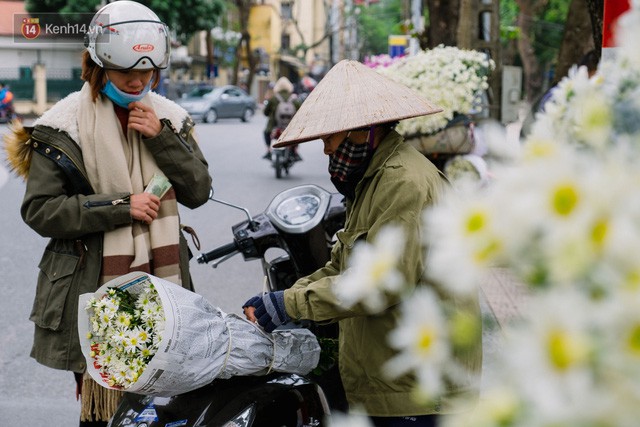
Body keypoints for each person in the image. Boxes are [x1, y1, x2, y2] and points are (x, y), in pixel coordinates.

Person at [3, 1, 212, 425]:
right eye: (125, 71)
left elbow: (200, 190)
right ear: (97, 66)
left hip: (166, 292)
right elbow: (41, 210)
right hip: (92, 289)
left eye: (148, 71)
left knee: (169, 409)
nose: (138, 82)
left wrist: (162, 140)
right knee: (106, 414)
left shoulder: (170, 119)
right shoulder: (60, 128)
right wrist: (120, 206)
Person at [243, 60, 482, 426]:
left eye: (328, 137)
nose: (324, 150)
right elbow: (344, 267)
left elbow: (383, 284)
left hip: (419, 391)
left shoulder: (403, 183)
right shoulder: (372, 180)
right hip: (393, 380)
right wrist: (280, 301)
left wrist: (289, 303)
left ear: (362, 132)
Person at [262, 76, 302, 160]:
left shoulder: (273, 98)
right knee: (297, 136)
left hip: (274, 126)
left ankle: (269, 151)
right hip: (290, 127)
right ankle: (295, 152)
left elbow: (265, 112)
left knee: (266, 132)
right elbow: (301, 113)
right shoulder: (294, 99)